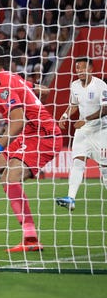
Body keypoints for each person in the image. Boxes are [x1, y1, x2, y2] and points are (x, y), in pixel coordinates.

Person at [0, 45, 62, 253]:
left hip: (42, 134)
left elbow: (18, 121)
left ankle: (30, 239)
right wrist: (33, 96)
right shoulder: (10, 77)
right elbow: (44, 91)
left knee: (9, 178)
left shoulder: (2, 83)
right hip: (29, 133)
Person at [56, 58, 107, 211]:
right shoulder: (75, 86)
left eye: (82, 68)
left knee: (104, 168)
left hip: (101, 130)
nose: (79, 71)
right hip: (83, 131)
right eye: (77, 68)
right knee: (78, 162)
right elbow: (73, 104)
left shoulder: (101, 86)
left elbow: (105, 110)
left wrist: (85, 119)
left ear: (91, 69)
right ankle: (70, 198)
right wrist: (64, 116)